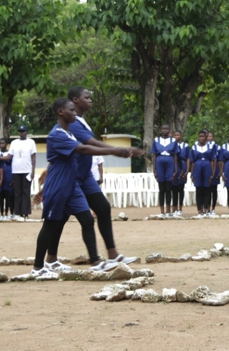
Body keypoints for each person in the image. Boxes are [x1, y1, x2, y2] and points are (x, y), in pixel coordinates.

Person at [30, 98, 142, 278]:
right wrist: (114, 150)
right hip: (58, 185)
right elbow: (83, 150)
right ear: (60, 112)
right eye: (71, 110)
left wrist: (115, 150)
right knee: (50, 225)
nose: (75, 113)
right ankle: (38, 267)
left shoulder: (69, 134)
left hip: (72, 185)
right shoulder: (56, 134)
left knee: (88, 220)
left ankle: (96, 263)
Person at [65, 87, 140, 266]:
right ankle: (50, 260)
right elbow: (89, 143)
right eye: (87, 97)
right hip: (73, 176)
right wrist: (117, 151)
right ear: (75, 100)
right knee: (61, 220)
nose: (90, 100)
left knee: (103, 208)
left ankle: (113, 254)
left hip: (86, 176)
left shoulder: (82, 121)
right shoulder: (74, 122)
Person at [151, 124, 180, 219]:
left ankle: (168, 211)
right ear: (161, 130)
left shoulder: (173, 141)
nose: (165, 130)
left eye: (167, 129)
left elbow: (176, 156)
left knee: (168, 188)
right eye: (163, 129)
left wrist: (176, 170)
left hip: (170, 161)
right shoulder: (156, 140)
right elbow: (154, 156)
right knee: (161, 188)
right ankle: (162, 211)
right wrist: (154, 170)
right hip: (159, 161)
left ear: (169, 130)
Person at [9, 125, 36, 221]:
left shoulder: (31, 142)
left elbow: (33, 158)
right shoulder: (14, 143)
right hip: (16, 170)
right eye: (20, 131)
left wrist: (33, 171)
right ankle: (18, 212)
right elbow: (9, 156)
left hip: (27, 170)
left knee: (26, 192)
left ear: (26, 132)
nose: (22, 133)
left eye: (23, 131)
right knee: (17, 192)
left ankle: (25, 213)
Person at [189, 130, 216, 218]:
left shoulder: (210, 146)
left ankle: (206, 209)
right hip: (197, 167)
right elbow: (192, 161)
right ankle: (199, 210)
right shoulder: (194, 147)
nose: (201, 138)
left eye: (203, 137)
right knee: (198, 189)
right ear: (198, 137)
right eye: (200, 137)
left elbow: (213, 160)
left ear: (206, 137)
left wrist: (212, 173)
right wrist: (192, 173)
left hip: (207, 166)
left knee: (206, 189)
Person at [170, 130, 189, 218]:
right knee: (174, 189)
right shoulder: (172, 145)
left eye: (178, 135)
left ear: (181, 135)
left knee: (181, 189)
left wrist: (187, 171)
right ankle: (174, 208)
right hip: (174, 165)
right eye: (175, 135)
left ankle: (180, 209)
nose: (176, 136)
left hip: (183, 165)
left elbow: (188, 158)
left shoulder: (186, 145)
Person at [0, 139, 14, 220]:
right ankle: (1, 213)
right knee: (1, 195)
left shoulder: (10, 153)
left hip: (8, 173)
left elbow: (13, 164)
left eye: (3, 143)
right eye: (0, 143)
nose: (1, 145)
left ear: (6, 144)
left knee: (9, 195)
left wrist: (13, 178)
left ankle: (8, 213)